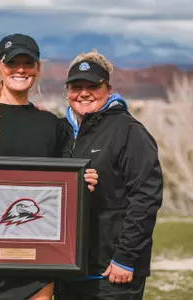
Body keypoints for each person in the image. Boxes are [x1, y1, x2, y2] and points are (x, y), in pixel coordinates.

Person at [0, 33, 98, 300]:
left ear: (38, 69)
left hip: (36, 264)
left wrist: (84, 183)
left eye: (28, 63)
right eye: (13, 63)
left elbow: (60, 193)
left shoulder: (50, 124)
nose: (21, 70)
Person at [55, 50, 163, 300]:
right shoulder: (60, 132)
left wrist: (125, 258)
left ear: (108, 88)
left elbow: (146, 198)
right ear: (67, 91)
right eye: (76, 86)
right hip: (66, 270)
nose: (84, 93)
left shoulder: (129, 131)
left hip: (111, 273)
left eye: (92, 86)